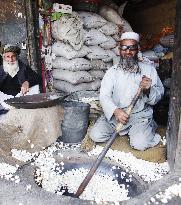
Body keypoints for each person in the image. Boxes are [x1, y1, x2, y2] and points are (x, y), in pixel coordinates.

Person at [90, 32, 164, 151]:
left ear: (137, 49)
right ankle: (127, 131)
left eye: (132, 48)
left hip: (139, 117)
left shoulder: (149, 70)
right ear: (119, 50)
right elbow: (104, 96)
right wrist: (115, 111)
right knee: (96, 135)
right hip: (116, 116)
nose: (128, 52)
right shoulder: (111, 72)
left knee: (140, 144)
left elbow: (158, 97)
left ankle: (148, 128)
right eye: (124, 48)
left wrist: (149, 90)